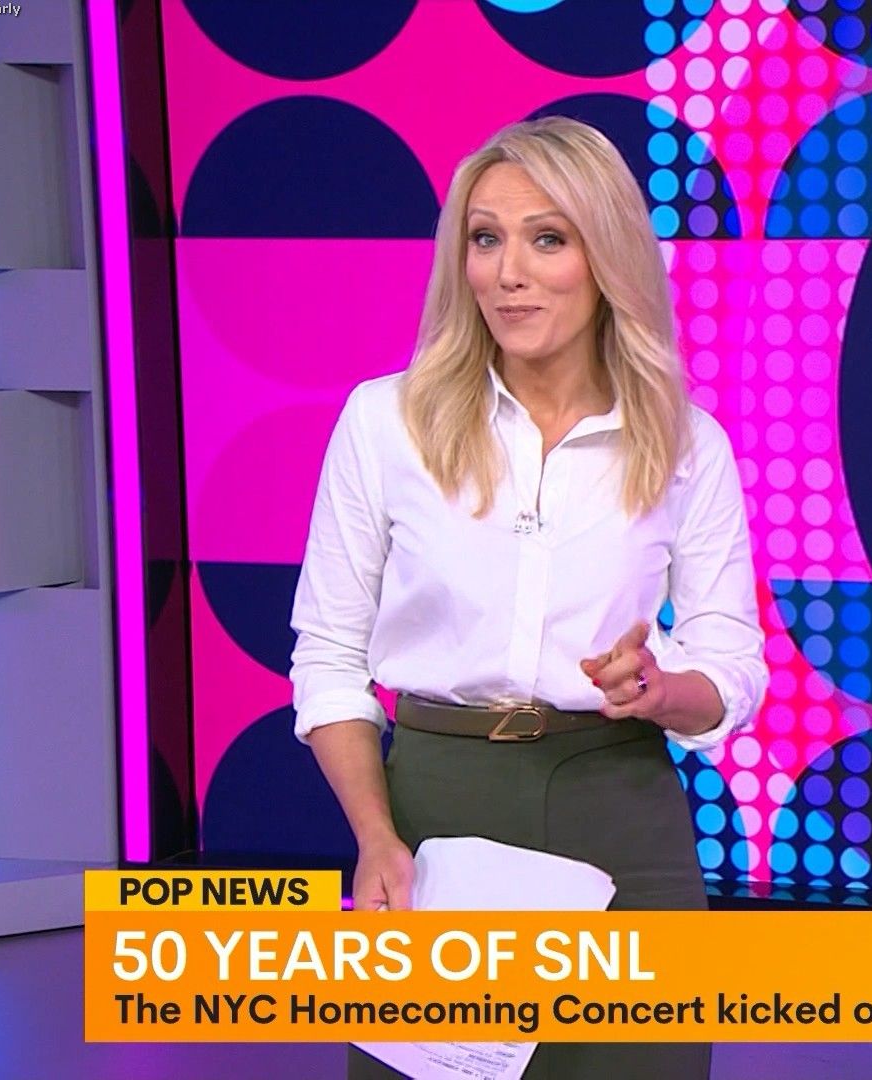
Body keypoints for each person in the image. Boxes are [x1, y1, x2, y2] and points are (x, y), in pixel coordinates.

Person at [290, 116, 767, 1079]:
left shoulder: (688, 443)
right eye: (485, 238)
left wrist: (661, 690)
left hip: (617, 805)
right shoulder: (384, 424)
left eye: (548, 238)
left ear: (607, 257)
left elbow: (731, 664)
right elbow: (328, 660)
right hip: (432, 809)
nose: (509, 273)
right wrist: (377, 836)